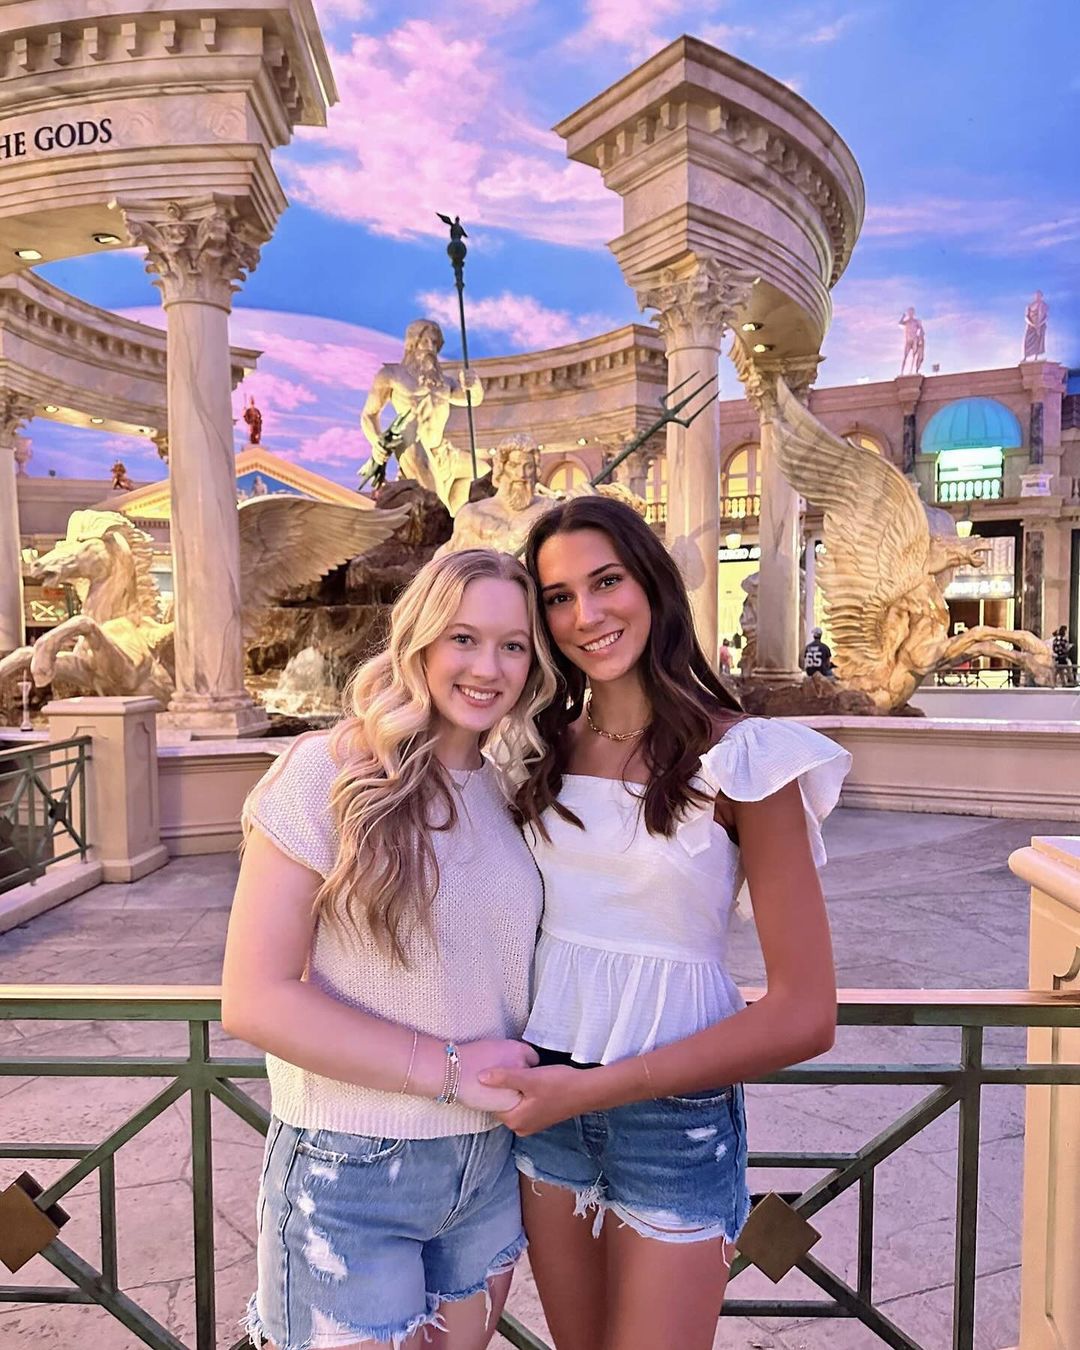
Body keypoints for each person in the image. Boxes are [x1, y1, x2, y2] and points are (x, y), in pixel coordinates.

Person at [480, 496, 851, 1350]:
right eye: (559, 597)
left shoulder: (744, 758)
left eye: (606, 581)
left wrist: (593, 1089)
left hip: (671, 1118)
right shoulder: (532, 753)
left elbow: (807, 1013)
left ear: (651, 584)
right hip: (544, 1104)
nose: (586, 614)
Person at [222, 549, 558, 1350]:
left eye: (513, 645)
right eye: (463, 638)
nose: (488, 667)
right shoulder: (327, 773)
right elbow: (254, 997)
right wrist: (448, 1068)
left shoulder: (513, 789)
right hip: (349, 1172)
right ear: (419, 642)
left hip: (485, 1166)